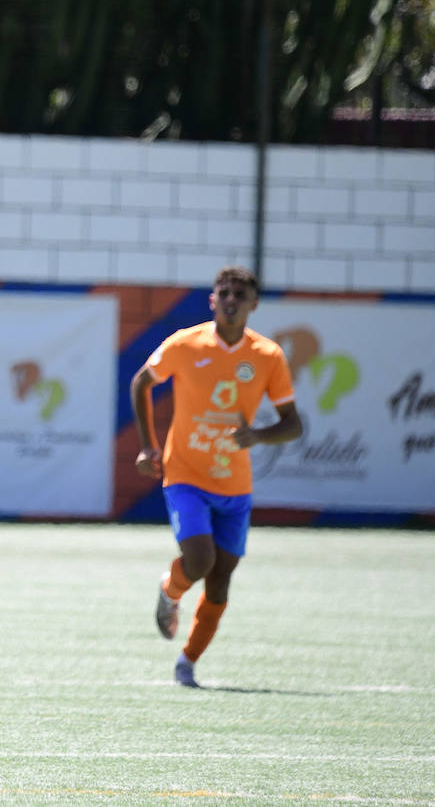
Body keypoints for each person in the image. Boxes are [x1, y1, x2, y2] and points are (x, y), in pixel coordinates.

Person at [130, 265, 303, 687]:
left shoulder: (267, 356)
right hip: (185, 473)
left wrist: (256, 436)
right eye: (223, 292)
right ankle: (170, 592)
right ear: (212, 300)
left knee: (221, 578)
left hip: (235, 486)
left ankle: (187, 662)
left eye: (239, 294)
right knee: (200, 561)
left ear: (253, 304)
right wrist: (148, 446)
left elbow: (292, 424)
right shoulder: (186, 344)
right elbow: (141, 383)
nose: (230, 300)